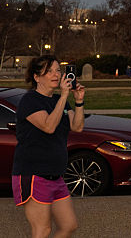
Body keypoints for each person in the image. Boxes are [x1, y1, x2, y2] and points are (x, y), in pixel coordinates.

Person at [13, 55, 86, 238]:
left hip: (56, 175)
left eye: (57, 70)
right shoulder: (30, 100)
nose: (56, 74)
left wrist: (78, 101)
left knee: (69, 225)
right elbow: (48, 126)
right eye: (49, 71)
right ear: (37, 77)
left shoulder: (59, 100)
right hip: (34, 174)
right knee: (42, 230)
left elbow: (77, 127)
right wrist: (62, 96)